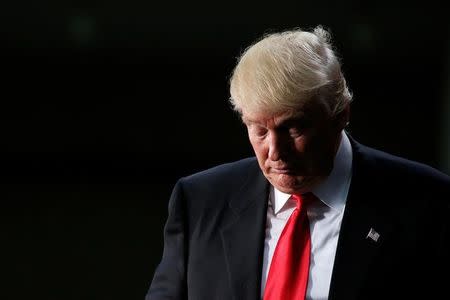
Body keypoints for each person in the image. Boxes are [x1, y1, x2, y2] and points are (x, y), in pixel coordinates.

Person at [146, 26, 450, 300]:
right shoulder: (200, 202)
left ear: (341, 114)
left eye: (294, 128)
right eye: (259, 130)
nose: (275, 151)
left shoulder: (428, 203)